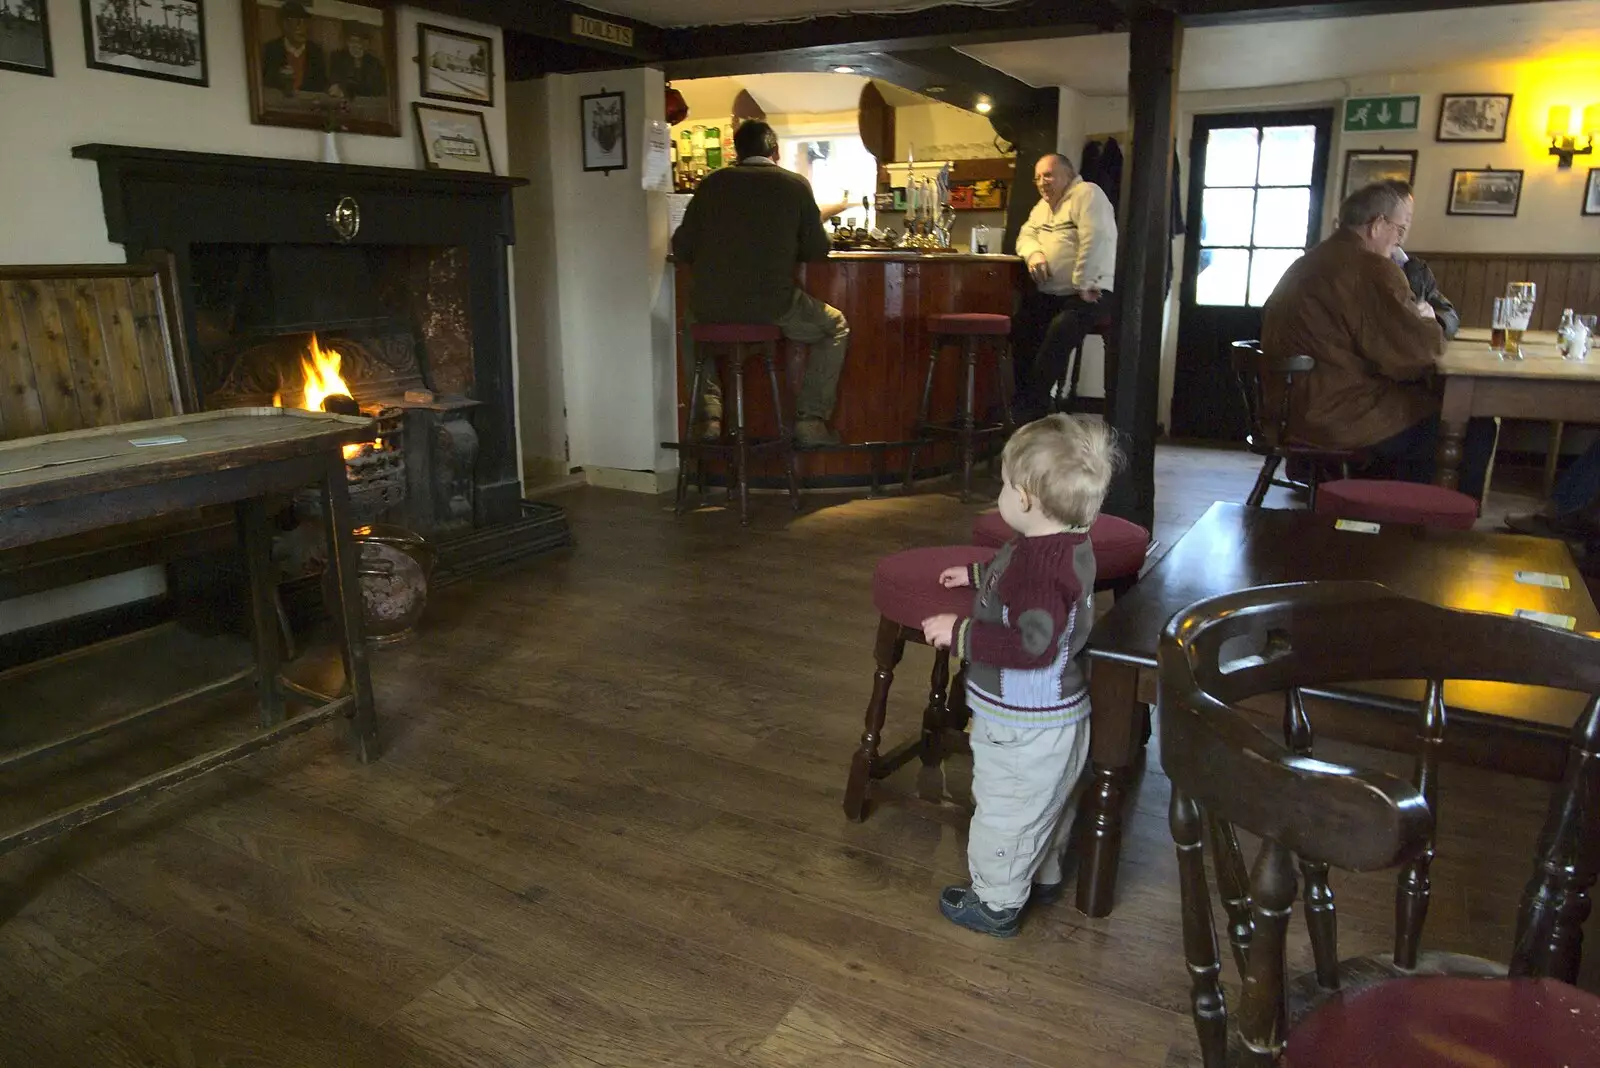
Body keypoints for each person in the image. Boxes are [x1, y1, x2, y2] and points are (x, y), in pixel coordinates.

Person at [920, 414, 1119, 937]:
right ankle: (1042, 873)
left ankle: (996, 902)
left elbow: (1034, 644)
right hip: (1057, 717)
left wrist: (961, 632)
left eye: (1007, 484)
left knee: (1005, 808)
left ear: (1027, 498)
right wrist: (978, 576)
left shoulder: (1037, 566)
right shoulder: (1065, 543)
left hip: (1024, 721)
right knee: (1046, 801)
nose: (1002, 493)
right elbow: (1026, 582)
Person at [1261, 180, 1493, 495]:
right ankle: (1434, 526)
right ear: (1377, 225)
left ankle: (1377, 500)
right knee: (1472, 424)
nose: (1399, 244)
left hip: (1284, 413)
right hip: (1336, 417)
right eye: (1399, 231)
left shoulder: (1310, 261)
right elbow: (1418, 351)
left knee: (1424, 406)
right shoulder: (1369, 268)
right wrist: (1428, 321)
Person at [670, 120, 850, 447]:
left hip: (711, 307)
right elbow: (817, 250)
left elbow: (681, 248)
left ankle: (709, 417)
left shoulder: (712, 184)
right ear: (775, 151)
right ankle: (811, 421)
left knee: (688, 326)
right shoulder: (795, 185)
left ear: (737, 152)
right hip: (772, 306)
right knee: (835, 325)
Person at [1011, 153, 1118, 423]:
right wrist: (1034, 254)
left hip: (1091, 291)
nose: (1041, 182)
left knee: (1061, 329)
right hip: (1055, 294)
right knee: (1021, 326)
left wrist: (1084, 282)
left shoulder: (1088, 194)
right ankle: (1028, 401)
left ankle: (1031, 406)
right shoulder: (1043, 207)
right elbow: (1026, 235)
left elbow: (1096, 238)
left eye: (1048, 175)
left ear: (1068, 175)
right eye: (1037, 177)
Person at [1382, 181, 1461, 340]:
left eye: (1408, 219)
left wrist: (1435, 318)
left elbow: (1450, 314)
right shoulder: (1355, 265)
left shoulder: (1416, 269)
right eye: (1398, 218)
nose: (1403, 228)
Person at [261, 1, 328, 96]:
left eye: (305, 22)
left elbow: (322, 85)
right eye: (297, 22)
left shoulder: (316, 52)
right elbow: (265, 85)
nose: (302, 28)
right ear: (285, 25)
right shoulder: (271, 50)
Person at [328, 20, 385, 101]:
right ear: (347, 42)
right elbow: (335, 86)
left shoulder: (374, 63)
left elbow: (377, 91)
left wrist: (347, 92)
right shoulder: (338, 58)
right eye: (354, 41)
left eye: (362, 41)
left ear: (368, 44)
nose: (358, 45)